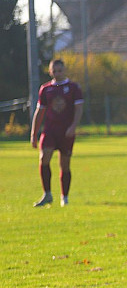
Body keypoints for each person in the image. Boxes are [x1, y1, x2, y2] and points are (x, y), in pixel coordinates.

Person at [29, 59, 84, 207]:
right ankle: (47, 194)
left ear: (64, 70)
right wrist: (34, 134)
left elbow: (79, 109)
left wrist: (73, 127)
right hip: (49, 131)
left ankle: (64, 197)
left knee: (64, 165)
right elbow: (39, 112)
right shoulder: (46, 89)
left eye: (60, 70)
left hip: (66, 132)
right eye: (55, 71)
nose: (57, 73)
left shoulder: (73, 87)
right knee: (44, 158)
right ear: (50, 71)